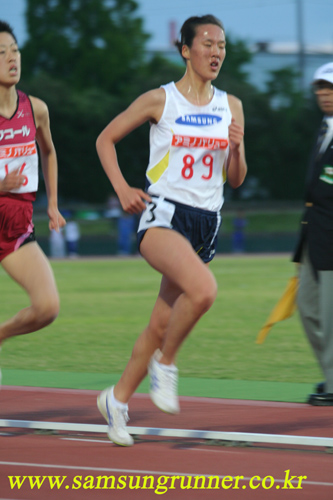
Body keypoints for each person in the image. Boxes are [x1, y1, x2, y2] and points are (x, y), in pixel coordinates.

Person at [96, 14, 247, 445]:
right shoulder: (160, 100)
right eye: (207, 43)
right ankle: (166, 364)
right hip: (164, 215)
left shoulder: (231, 106)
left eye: (222, 45)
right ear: (185, 49)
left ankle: (117, 400)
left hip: (206, 222)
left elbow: (235, 178)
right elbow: (105, 140)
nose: (216, 51)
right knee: (204, 291)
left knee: (161, 322)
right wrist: (123, 187)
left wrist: (235, 148)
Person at [0, 21, 66, 382]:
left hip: (15, 230)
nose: (12, 58)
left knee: (47, 307)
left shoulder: (35, 109)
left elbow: (50, 152)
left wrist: (53, 203)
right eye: (1, 52)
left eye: (15, 49)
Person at [293, 62, 333, 406]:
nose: (324, 94)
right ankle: (331, 373)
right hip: (313, 236)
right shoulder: (324, 127)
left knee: (331, 315)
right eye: (320, 87)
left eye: (330, 88)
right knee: (307, 307)